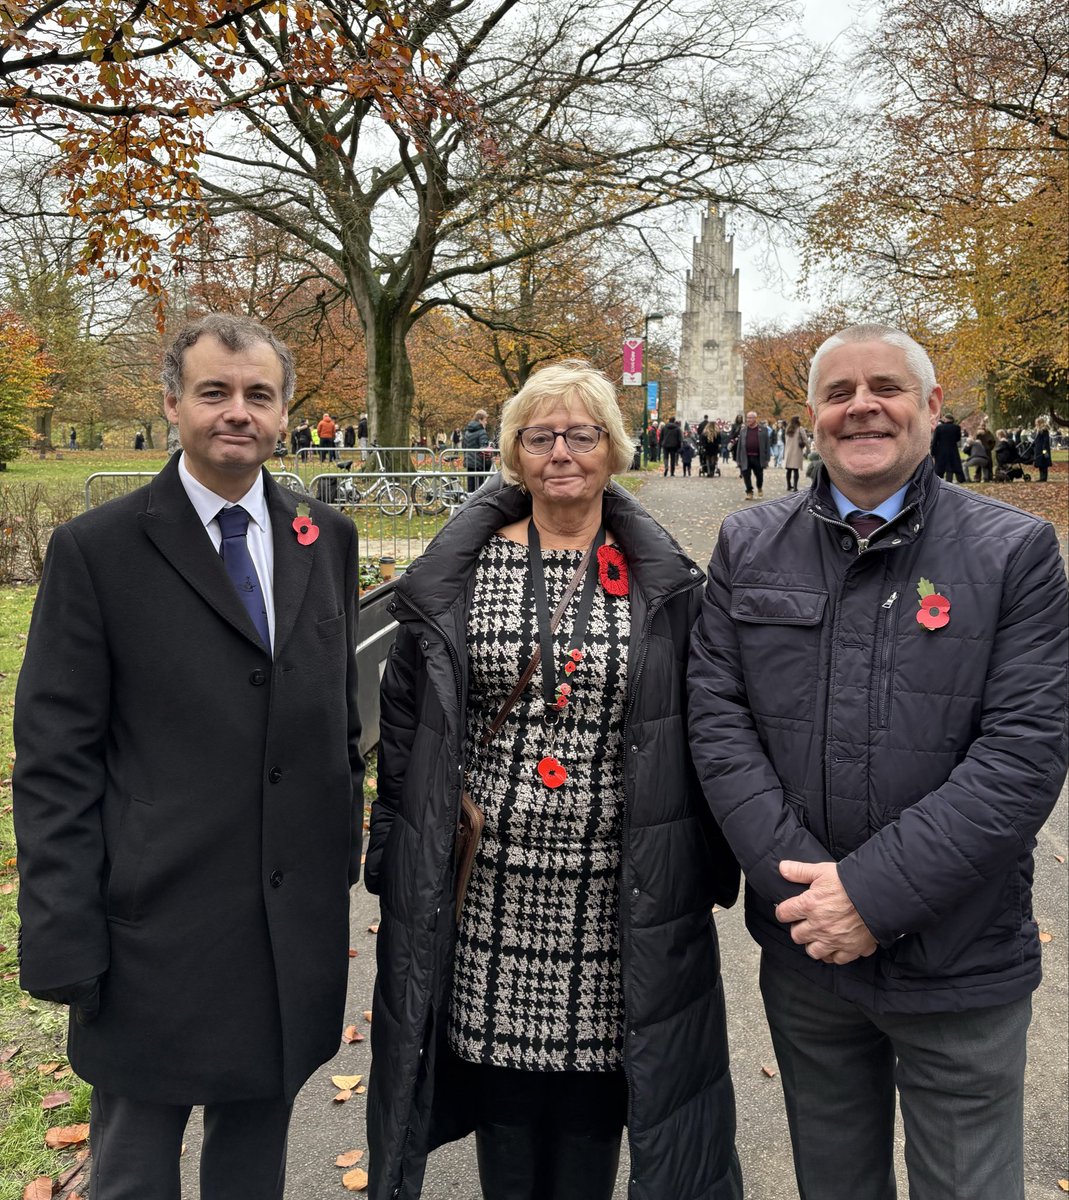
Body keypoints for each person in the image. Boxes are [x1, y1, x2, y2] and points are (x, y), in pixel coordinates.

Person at [688, 324, 1068, 1200]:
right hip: (809, 959)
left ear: (931, 408)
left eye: (886, 387)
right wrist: (809, 899)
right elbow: (718, 726)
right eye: (838, 391)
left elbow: (1020, 755)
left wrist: (869, 896)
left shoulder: (1012, 554)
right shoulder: (749, 546)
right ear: (813, 419)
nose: (862, 405)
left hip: (959, 961)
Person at [366, 360, 742, 1200]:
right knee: (504, 1103)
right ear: (514, 454)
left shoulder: (665, 581)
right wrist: (394, 845)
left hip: (617, 892)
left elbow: (707, 727)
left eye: (582, 435)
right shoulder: (459, 574)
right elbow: (404, 724)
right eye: (540, 437)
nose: (561, 452)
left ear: (613, 449)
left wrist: (711, 862)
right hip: (490, 888)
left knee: (590, 1109)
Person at [13, 313, 364, 1200]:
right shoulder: (98, 549)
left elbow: (332, 718)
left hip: (283, 927)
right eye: (214, 393)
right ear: (172, 402)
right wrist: (60, 931)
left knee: (251, 1165)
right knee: (133, 1170)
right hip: (150, 927)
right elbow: (55, 757)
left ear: (286, 412)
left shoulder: (325, 538)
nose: (235, 412)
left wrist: (338, 858)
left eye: (258, 394)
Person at [735, 410, 770, 499]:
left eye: (750, 418)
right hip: (746, 457)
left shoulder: (763, 430)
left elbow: (767, 445)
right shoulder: (743, 431)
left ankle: (759, 487)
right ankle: (749, 492)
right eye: (747, 418)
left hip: (758, 457)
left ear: (755, 419)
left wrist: (767, 459)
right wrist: (738, 459)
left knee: (759, 475)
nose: (748, 420)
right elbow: (739, 446)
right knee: (746, 475)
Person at [929, 409, 964, 481]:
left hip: (941, 450)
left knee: (939, 467)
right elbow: (958, 439)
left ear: (947, 419)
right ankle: (956, 480)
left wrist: (933, 452)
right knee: (952, 466)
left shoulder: (939, 428)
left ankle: (938, 480)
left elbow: (935, 441)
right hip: (953, 449)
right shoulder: (956, 428)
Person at [462, 407, 491, 493]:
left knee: (471, 487)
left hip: (469, 462)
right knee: (480, 488)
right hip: (479, 464)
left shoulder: (467, 431)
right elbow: (484, 449)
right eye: (485, 420)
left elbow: (464, 446)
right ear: (480, 420)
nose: (486, 422)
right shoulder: (482, 432)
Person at [782, 414, 808, 492]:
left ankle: (789, 486)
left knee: (789, 470)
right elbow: (805, 439)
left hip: (788, 452)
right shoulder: (800, 429)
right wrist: (808, 448)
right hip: (796, 452)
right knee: (796, 470)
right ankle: (795, 487)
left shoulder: (787, 429)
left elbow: (784, 440)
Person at [1030, 415, 1052, 482]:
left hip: (1043, 449)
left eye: (1037, 422)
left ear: (1040, 423)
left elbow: (1046, 440)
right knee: (1040, 463)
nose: (1036, 424)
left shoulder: (1044, 430)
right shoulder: (1038, 430)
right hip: (1038, 449)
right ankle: (1041, 477)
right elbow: (1037, 439)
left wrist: (1044, 449)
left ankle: (1043, 478)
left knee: (1044, 463)